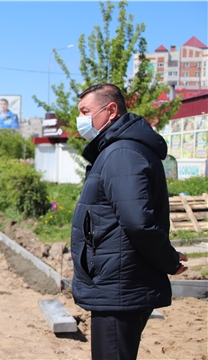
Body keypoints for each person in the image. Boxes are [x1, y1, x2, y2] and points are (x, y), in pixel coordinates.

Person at [70, 83, 188, 360]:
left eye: (86, 111)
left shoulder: (122, 153)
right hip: (117, 280)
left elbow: (138, 221)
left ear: (111, 110)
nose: (81, 120)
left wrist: (168, 259)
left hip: (119, 284)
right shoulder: (119, 149)